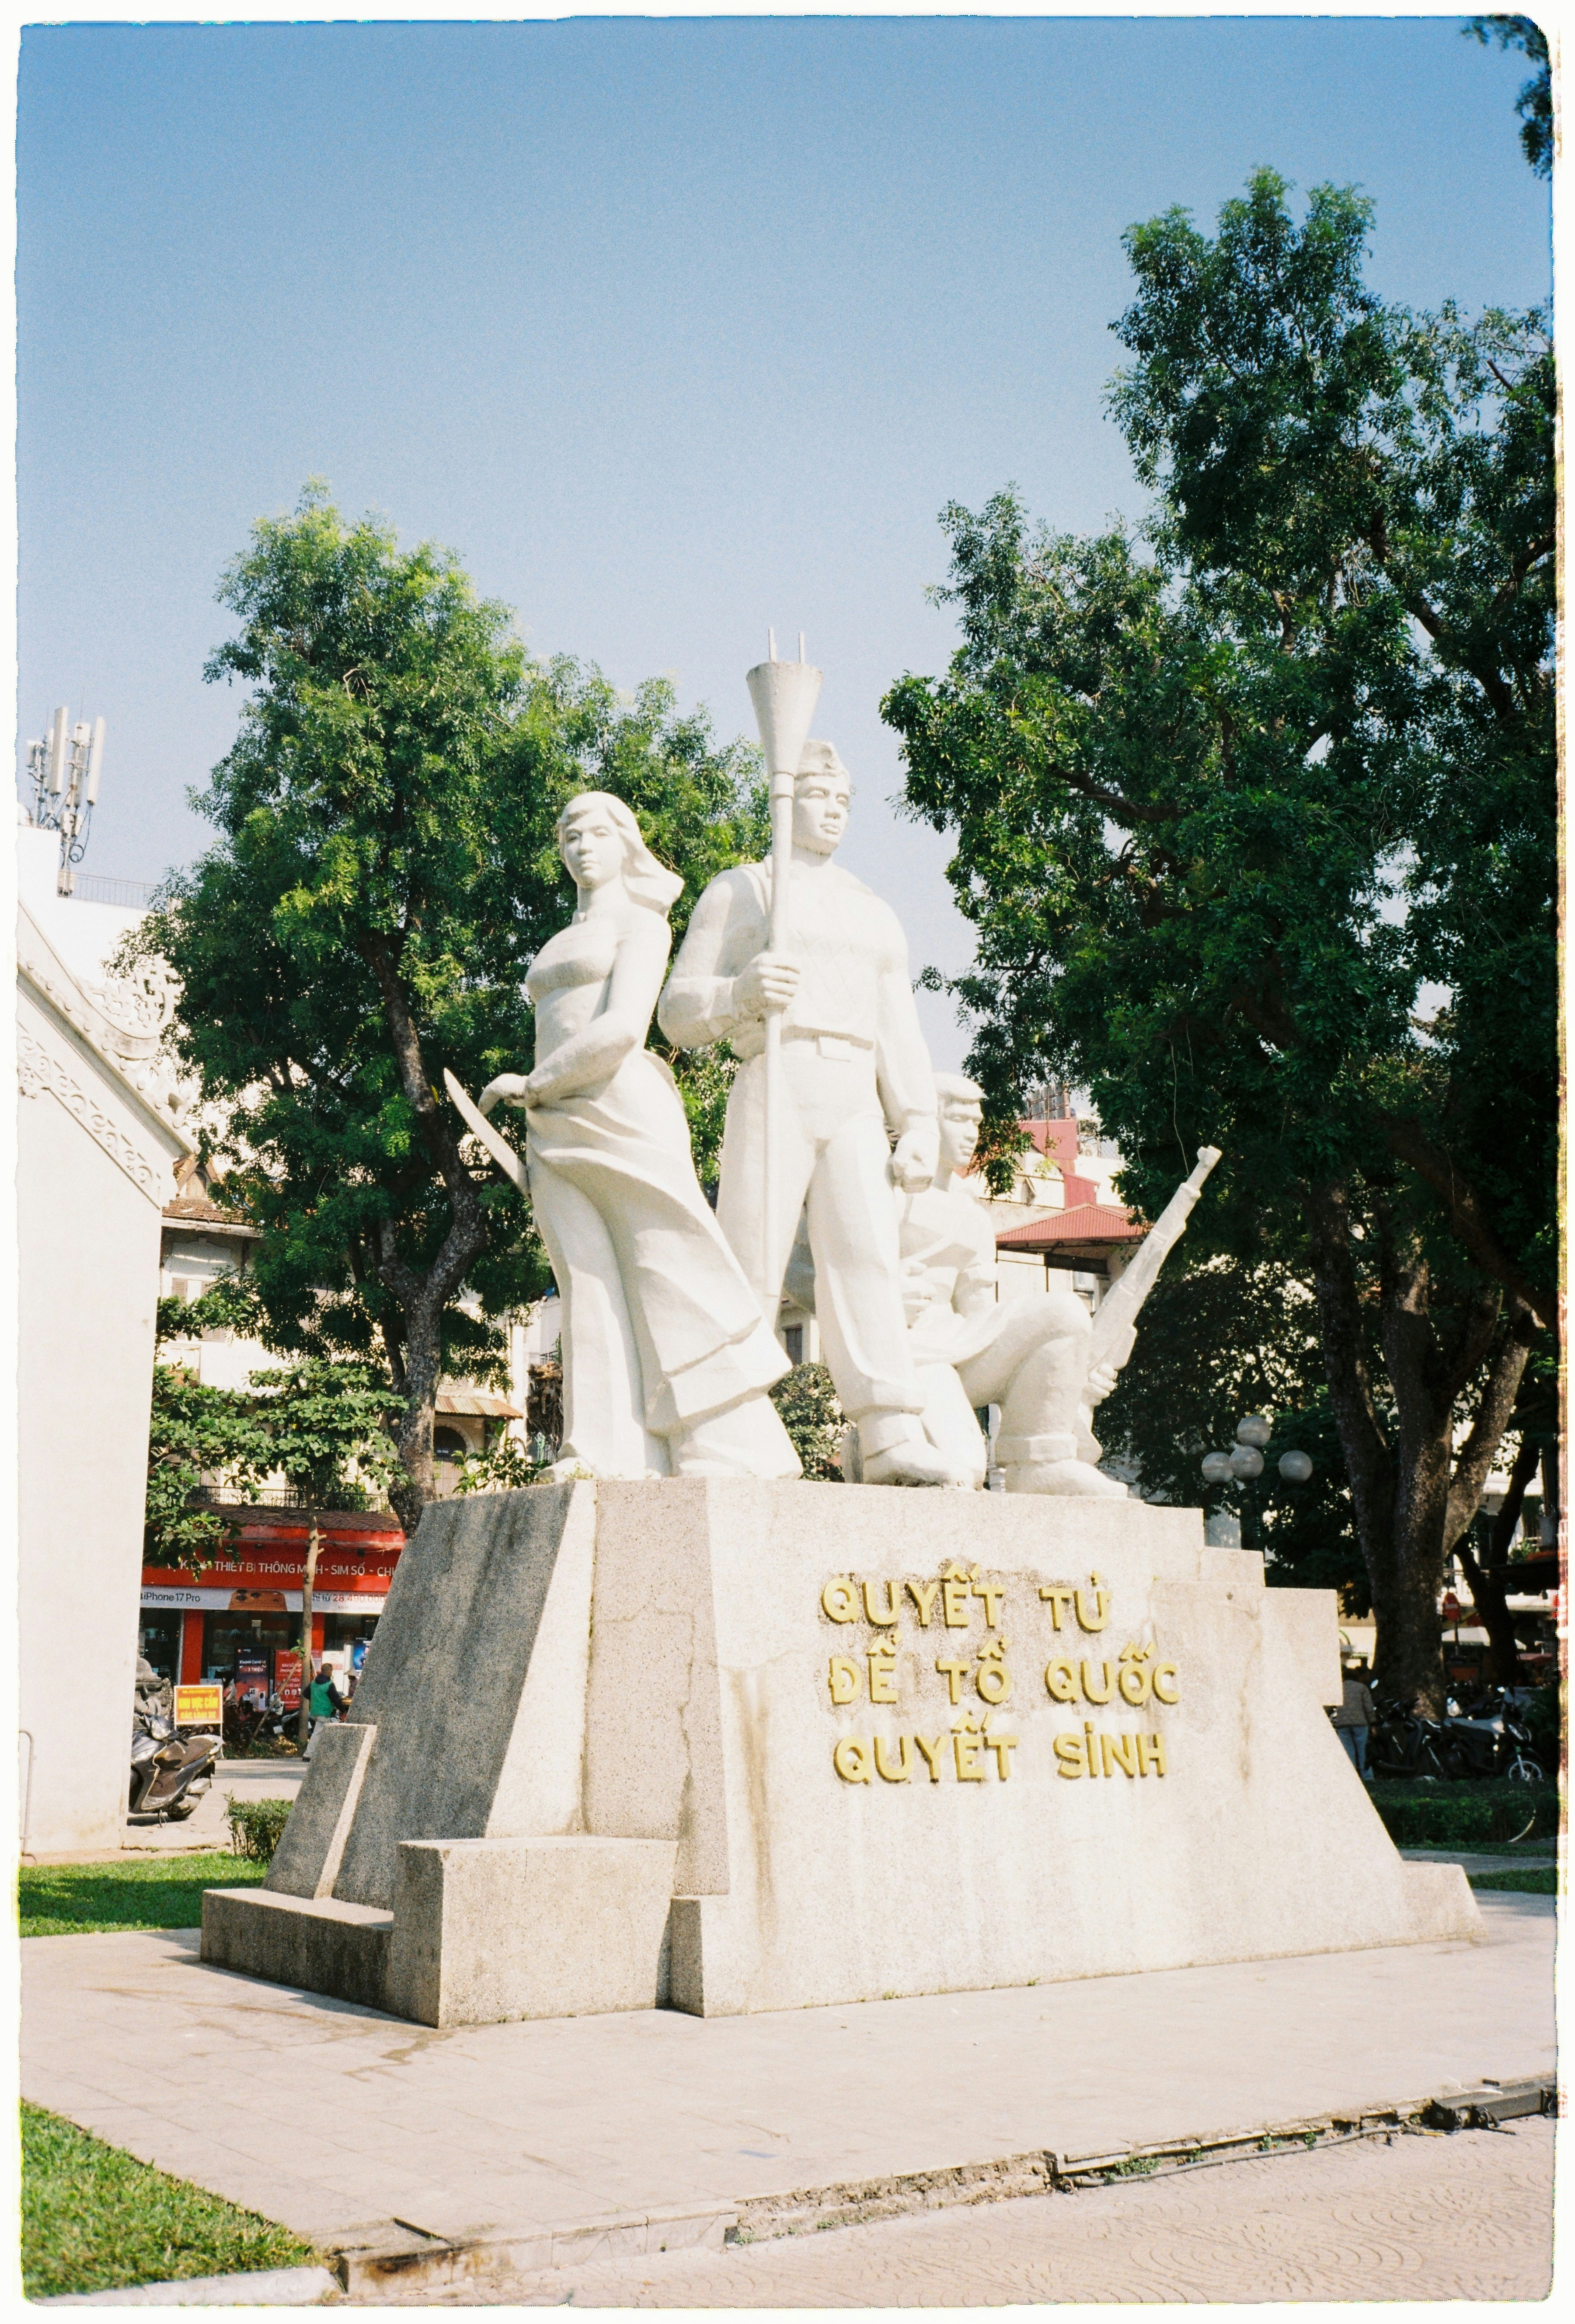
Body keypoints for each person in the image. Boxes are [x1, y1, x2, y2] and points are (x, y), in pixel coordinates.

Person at [480, 791, 799, 1482]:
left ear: (626, 841)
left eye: (595, 831)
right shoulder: (559, 938)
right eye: (567, 834)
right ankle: (597, 1449)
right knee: (585, 1278)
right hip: (553, 1119)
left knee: (667, 1268)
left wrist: (534, 1084)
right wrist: (540, 1097)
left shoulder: (644, 925)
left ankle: (725, 1441)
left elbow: (625, 1027)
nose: (579, 845)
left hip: (618, 1104)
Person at [659, 740, 951, 1487]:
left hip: (853, 1085)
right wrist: (739, 991)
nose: (833, 810)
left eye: (844, 799)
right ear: (787, 801)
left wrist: (916, 1119)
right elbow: (676, 1009)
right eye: (820, 794)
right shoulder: (746, 890)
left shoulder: (871, 911)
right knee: (748, 1251)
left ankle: (887, 1427)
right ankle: (725, 1414)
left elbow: (898, 1022)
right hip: (777, 1071)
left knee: (866, 1255)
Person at [893, 1075, 1126, 1495]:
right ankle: (879, 1446)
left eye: (976, 1123)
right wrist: (882, 1297)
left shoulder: (972, 1215)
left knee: (1065, 1313)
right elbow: (809, 1274)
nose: (971, 1135)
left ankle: (1039, 1462)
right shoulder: (883, 1197)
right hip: (905, 1353)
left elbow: (980, 1315)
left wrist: (1070, 1375)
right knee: (962, 1471)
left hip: (959, 1346)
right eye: (959, 1120)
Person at [1332, 1663, 1375, 1776]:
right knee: (1362, 1751)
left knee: (1348, 1751)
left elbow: (1330, 1705)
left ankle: (1351, 1776)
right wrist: (1373, 1722)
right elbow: (1369, 1707)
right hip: (1360, 1723)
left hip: (1343, 1724)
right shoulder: (1362, 1688)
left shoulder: (1339, 1688)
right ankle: (1367, 1777)